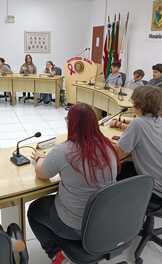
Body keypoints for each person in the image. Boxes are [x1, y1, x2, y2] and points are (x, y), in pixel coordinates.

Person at [28, 103, 118, 264]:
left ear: (71, 124)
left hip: (76, 226)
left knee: (34, 210)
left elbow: (41, 174)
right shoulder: (108, 147)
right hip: (105, 221)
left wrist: (39, 158)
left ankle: (57, 255)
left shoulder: (64, 151)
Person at [113, 86, 162, 198]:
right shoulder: (157, 119)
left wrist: (103, 142)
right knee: (126, 165)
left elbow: (117, 153)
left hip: (154, 189)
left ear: (139, 104)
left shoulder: (138, 123)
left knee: (113, 171)